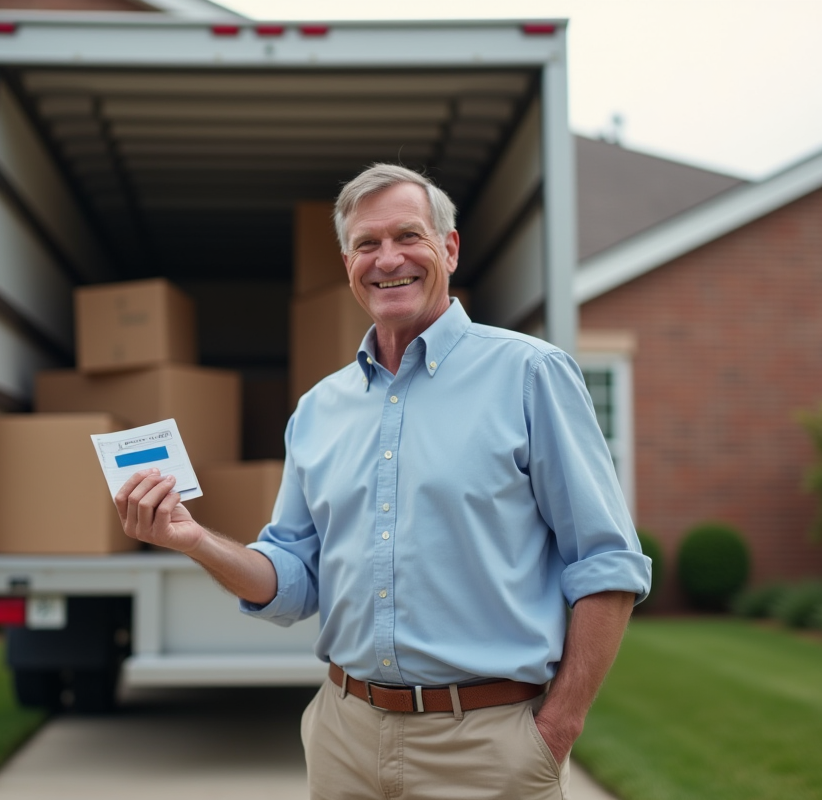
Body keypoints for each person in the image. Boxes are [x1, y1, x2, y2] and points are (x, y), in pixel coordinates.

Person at [116, 163, 651, 799]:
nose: (387, 259)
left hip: (487, 747)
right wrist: (194, 539)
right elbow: (293, 580)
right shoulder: (318, 409)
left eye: (408, 236)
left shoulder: (531, 374)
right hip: (344, 737)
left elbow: (607, 563)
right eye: (367, 243)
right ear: (348, 264)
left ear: (449, 248)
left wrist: (558, 726)